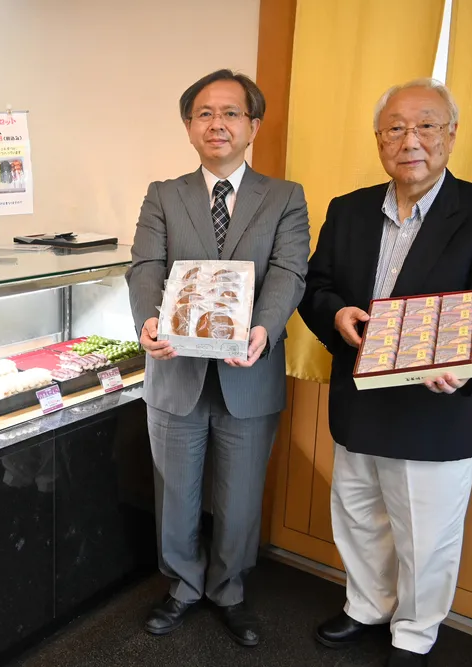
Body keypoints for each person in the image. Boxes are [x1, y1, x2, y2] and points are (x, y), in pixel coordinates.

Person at [298, 79, 472, 667]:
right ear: (379, 140)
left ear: (451, 134)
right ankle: (367, 605)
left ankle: (416, 633)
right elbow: (316, 286)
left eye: (427, 125)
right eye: (396, 128)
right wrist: (336, 314)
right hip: (360, 398)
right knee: (358, 516)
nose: (411, 140)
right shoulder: (349, 209)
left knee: (427, 538)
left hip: (436, 407)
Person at [125, 69, 310, 647]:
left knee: (239, 493)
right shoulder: (164, 193)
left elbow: (289, 271)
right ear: (188, 126)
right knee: (174, 492)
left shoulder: (285, 197)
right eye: (204, 113)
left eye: (231, 113)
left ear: (253, 125)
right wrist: (148, 321)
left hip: (246, 370)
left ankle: (229, 589)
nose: (218, 124)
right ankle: (181, 586)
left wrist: (263, 329)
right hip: (176, 368)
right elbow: (145, 267)